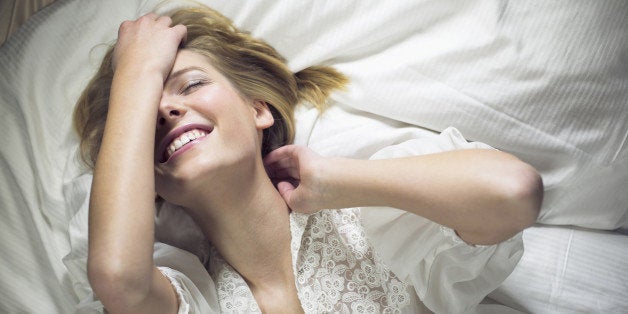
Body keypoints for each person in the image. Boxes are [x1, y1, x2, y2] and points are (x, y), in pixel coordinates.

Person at [72, 4, 543, 313]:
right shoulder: (198, 296)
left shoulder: (374, 224)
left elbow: (513, 191)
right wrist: (134, 73)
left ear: (258, 109)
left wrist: (341, 181)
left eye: (192, 85)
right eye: (145, 118)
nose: (166, 110)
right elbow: (119, 280)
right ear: (146, 177)